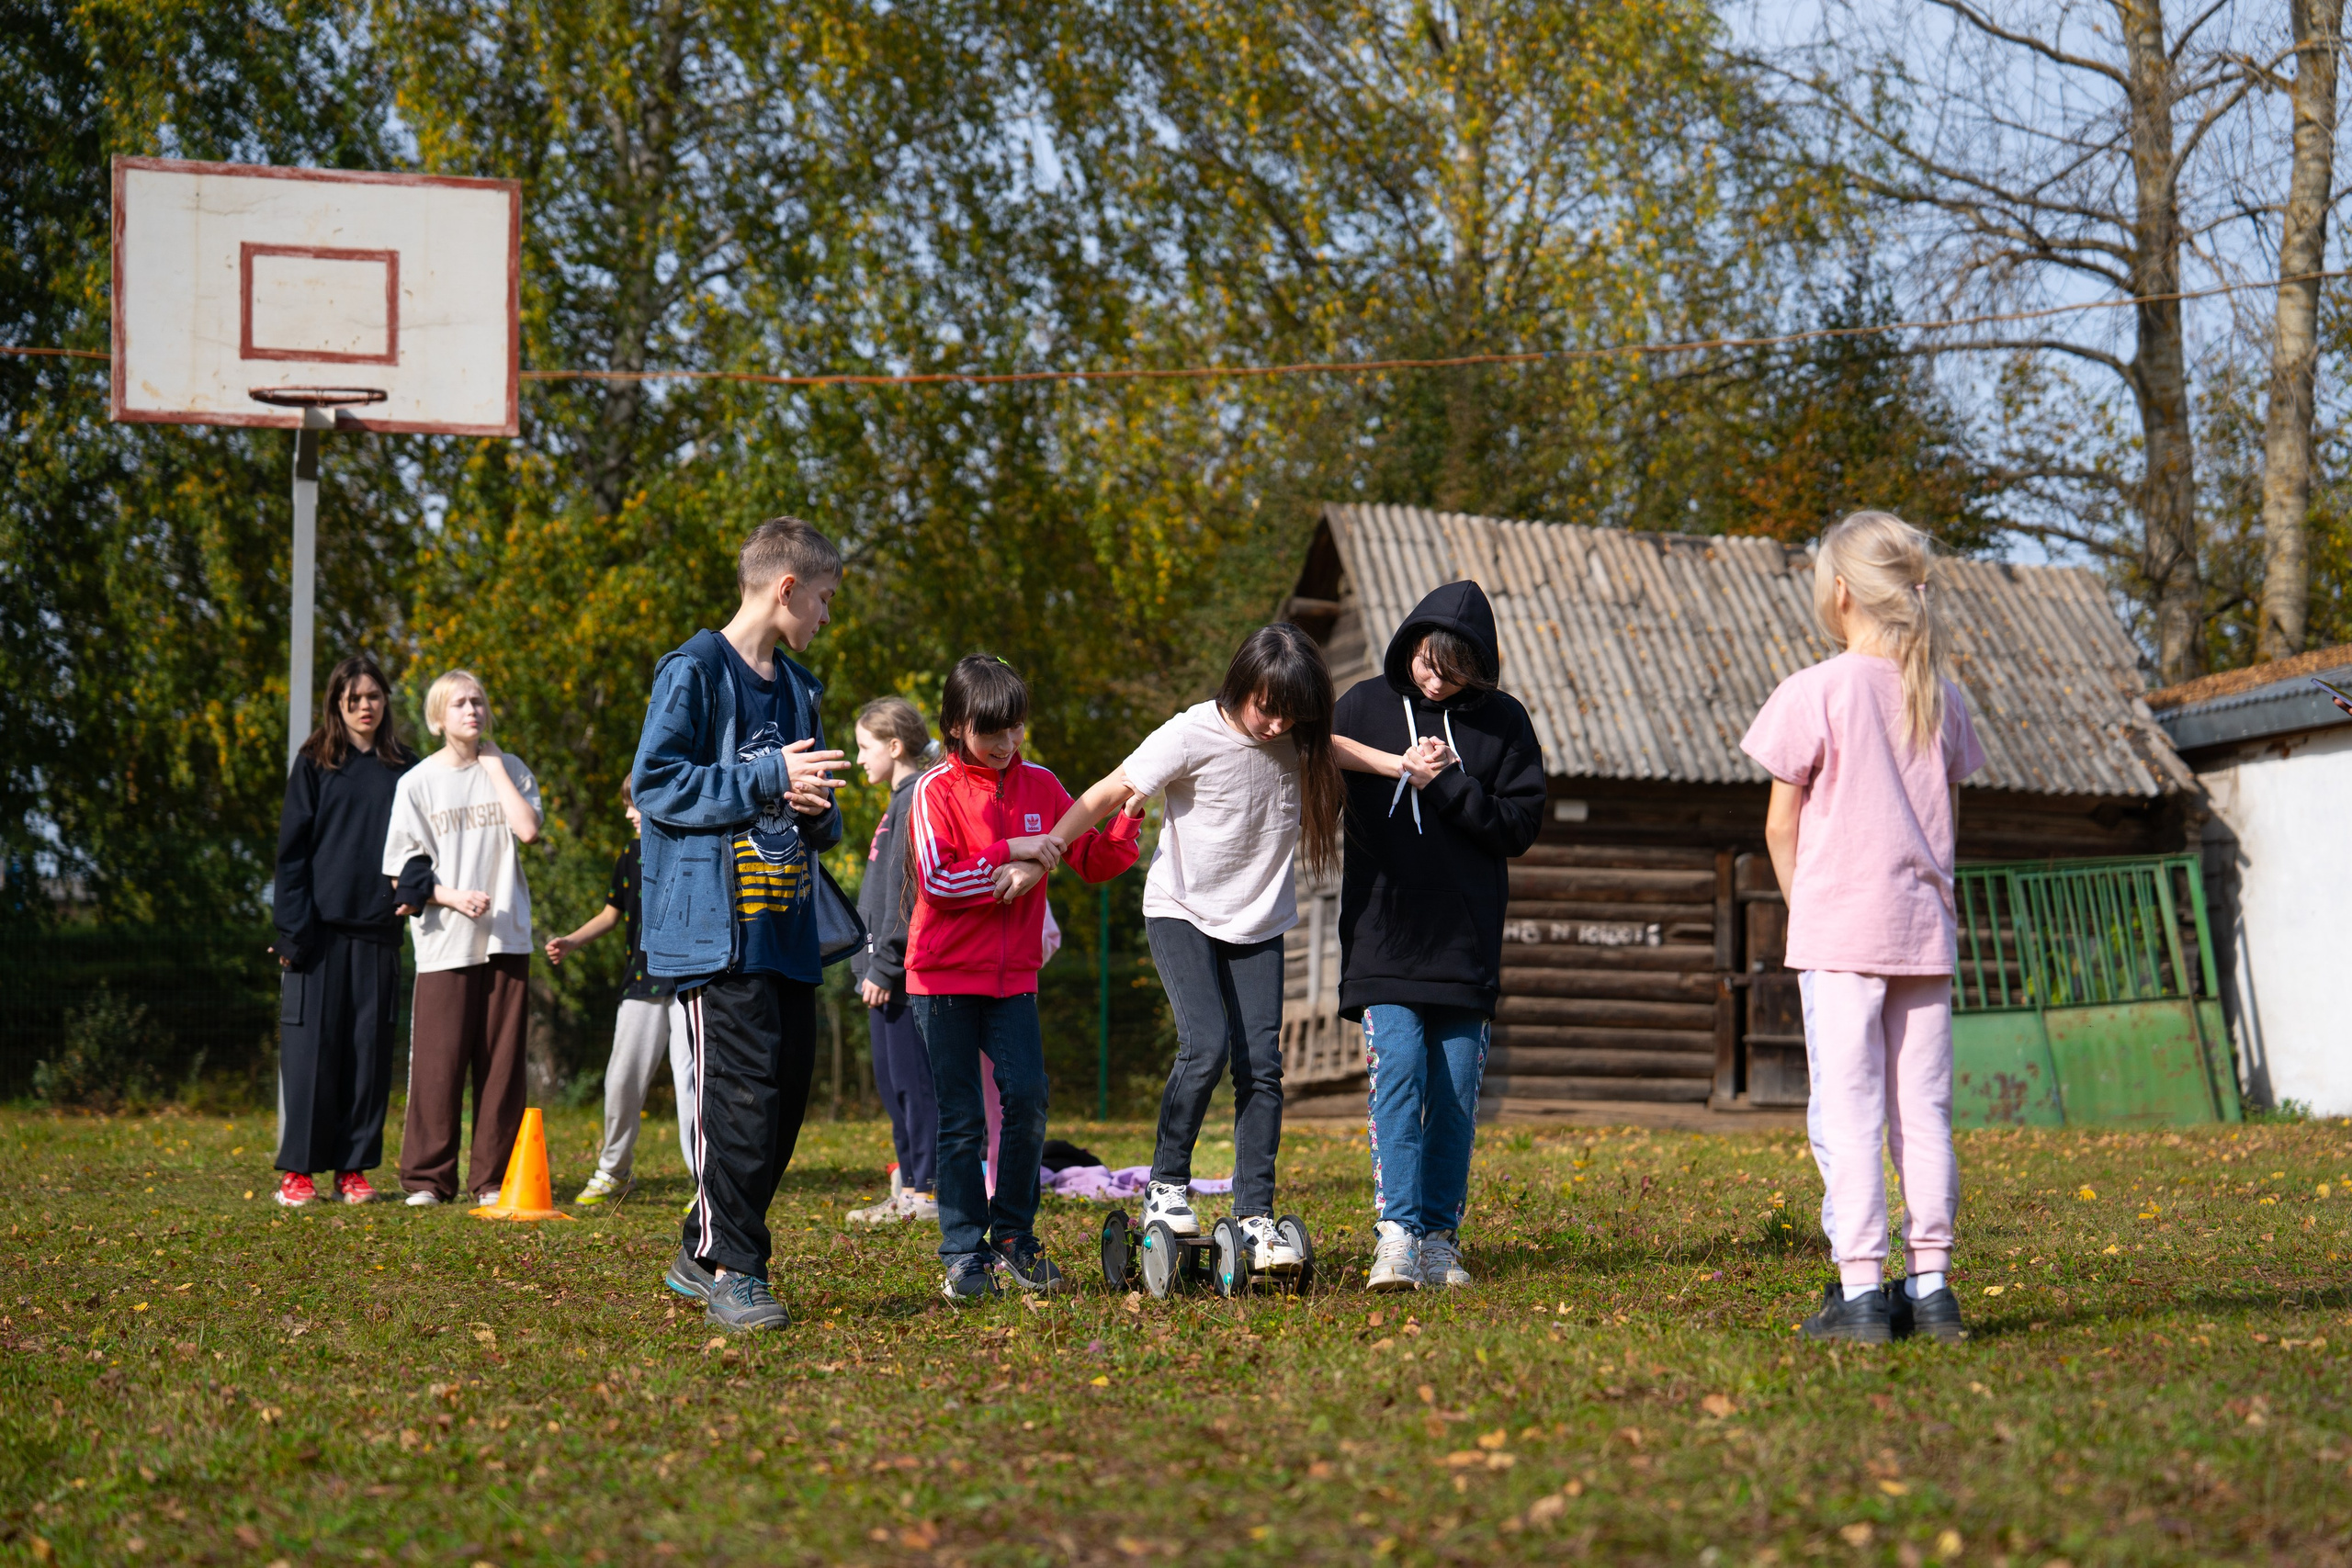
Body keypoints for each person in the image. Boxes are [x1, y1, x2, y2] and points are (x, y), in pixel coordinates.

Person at [1740, 511, 1984, 1345]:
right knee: (1925, 1110)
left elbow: (1781, 826)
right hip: (1924, 928)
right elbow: (1948, 819)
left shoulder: (1816, 689)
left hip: (1842, 927)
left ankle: (1861, 1294)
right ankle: (1934, 1288)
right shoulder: (1942, 696)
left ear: (1840, 592)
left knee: (1848, 1108)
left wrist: (1804, 904)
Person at [1050, 624, 1341, 1277]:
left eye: (1292, 714)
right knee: (1204, 1045)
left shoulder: (1299, 738)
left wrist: (1399, 764)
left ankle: (1256, 1212)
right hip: (1181, 910)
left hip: (1258, 921)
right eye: (1268, 707)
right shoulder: (1189, 732)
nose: (1276, 724)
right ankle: (1166, 1184)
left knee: (1262, 1067)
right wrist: (1051, 846)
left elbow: (1337, 748)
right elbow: (1109, 789)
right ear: (1242, 684)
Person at [632, 517, 848, 1332]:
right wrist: (765, 776)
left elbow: (813, 809)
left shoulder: (800, 687)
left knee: (782, 1104)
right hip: (715, 937)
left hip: (787, 931)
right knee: (738, 1105)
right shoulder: (693, 670)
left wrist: (816, 807)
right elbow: (655, 783)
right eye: (823, 599)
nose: (826, 616)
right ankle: (735, 1269)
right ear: (785, 588)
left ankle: (699, 1248)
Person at [1328, 582, 1545, 1292]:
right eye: (1425, 661)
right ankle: (1395, 1235)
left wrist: (1447, 784)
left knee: (1453, 1090)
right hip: (1382, 936)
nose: (1432, 678)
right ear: (1409, 644)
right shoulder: (1362, 704)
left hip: (1465, 943)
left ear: (1477, 670)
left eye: (1451, 670)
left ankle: (1438, 1241)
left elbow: (1519, 826)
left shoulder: (1504, 723)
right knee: (1398, 1072)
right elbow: (1309, 758)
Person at [904, 654, 1141, 1302]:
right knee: (959, 1121)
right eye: (992, 732)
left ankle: (1012, 1234)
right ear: (956, 725)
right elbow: (939, 880)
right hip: (944, 976)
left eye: (1016, 729)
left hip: (1015, 980)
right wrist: (1008, 850)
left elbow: (1090, 857)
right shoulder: (933, 792)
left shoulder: (1040, 782)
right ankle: (961, 1249)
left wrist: (1127, 817)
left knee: (1029, 1099)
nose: (1008, 745)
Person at [382, 669, 544, 1209]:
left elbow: (528, 829)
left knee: (501, 1066)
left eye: (477, 701)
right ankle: (427, 1180)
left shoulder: (511, 770)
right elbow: (400, 872)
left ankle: (492, 1181)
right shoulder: (417, 783)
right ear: (437, 717)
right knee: (438, 1063)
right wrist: (451, 897)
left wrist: (493, 765)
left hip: (507, 937)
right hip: (444, 939)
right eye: (458, 704)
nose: (471, 711)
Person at [270, 655, 418, 1207]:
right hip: (317, 935)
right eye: (353, 698)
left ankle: (353, 1170)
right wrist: (291, 932)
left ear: (385, 701)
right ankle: (299, 1173)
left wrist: (412, 893)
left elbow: (422, 846)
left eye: (373, 696)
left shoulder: (406, 766)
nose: (364, 706)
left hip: (379, 934)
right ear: (336, 703)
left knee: (367, 1054)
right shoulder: (314, 762)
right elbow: (291, 856)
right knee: (311, 1055)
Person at [545, 780, 696, 1206]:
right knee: (621, 1079)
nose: (630, 814)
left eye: (636, 806)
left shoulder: (694, 849)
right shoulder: (629, 856)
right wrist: (572, 941)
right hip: (641, 982)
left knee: (691, 1083)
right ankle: (614, 1171)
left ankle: (707, 1185)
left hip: (689, 982)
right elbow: (611, 914)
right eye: (628, 805)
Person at [845, 696, 941, 1226]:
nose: (860, 758)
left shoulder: (914, 801)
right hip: (882, 975)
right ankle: (908, 1188)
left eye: (865, 747)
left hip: (902, 977)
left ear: (895, 746)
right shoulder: (897, 800)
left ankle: (927, 1192)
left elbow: (909, 896)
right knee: (891, 1084)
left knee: (913, 1084)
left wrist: (884, 966)